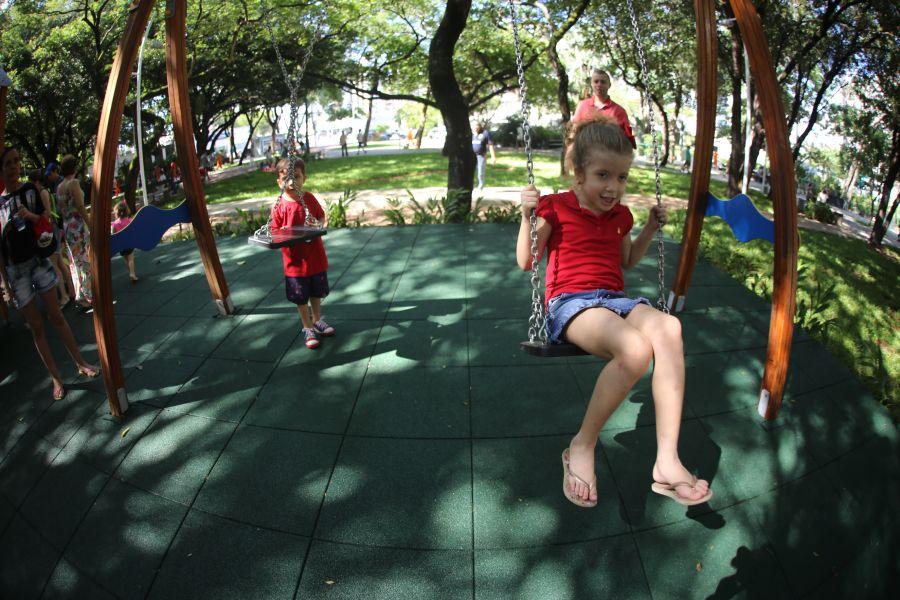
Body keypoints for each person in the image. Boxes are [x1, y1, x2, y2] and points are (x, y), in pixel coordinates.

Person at [515, 116, 712, 508]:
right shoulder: (554, 207)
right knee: (635, 349)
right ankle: (582, 446)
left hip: (615, 299)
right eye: (603, 175)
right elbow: (526, 260)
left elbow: (627, 261)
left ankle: (667, 462)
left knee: (669, 327)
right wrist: (527, 217)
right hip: (571, 303)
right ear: (578, 172)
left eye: (621, 178)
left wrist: (649, 231)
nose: (613, 188)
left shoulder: (621, 216)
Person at [0, 146, 99, 401]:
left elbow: (46, 222)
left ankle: (80, 362)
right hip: (16, 272)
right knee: (36, 327)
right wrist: (6, 286)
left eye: (16, 161)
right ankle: (56, 378)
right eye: (8, 163)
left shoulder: (30, 191)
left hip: (38, 261)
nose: (13, 166)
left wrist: (30, 216)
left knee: (56, 316)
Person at [270, 157, 335, 349]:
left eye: (296, 177)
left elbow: (322, 218)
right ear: (279, 183)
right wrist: (285, 231)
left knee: (316, 292)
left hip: (315, 258)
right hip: (295, 264)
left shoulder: (309, 199)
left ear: (304, 178)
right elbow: (274, 232)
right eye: (286, 179)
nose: (291, 183)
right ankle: (307, 327)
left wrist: (318, 224)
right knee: (301, 297)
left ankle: (317, 320)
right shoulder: (280, 205)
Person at [28, 169, 75, 307]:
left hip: (49, 232)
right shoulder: (45, 192)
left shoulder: (42, 193)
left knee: (55, 266)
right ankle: (71, 291)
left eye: (31, 183)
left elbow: (46, 214)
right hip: (53, 230)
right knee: (60, 262)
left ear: (36, 182)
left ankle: (64, 296)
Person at [56, 154, 93, 310]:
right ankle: (89, 295)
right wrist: (90, 224)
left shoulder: (59, 187)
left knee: (75, 262)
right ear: (75, 168)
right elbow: (80, 206)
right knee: (84, 260)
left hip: (67, 227)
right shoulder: (74, 183)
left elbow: (60, 209)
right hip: (77, 226)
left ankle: (80, 295)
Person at [572, 69, 637, 149]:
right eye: (596, 81)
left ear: (609, 85)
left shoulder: (619, 111)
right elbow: (573, 132)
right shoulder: (582, 106)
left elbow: (627, 139)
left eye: (603, 82)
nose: (599, 84)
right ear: (591, 84)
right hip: (584, 154)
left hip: (609, 156)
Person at [111, 202, 139, 283]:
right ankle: (133, 274)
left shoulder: (115, 224)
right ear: (127, 211)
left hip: (121, 246)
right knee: (131, 259)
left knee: (126, 260)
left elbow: (113, 234)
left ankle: (131, 273)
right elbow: (134, 230)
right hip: (129, 243)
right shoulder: (130, 221)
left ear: (117, 213)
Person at [471, 121, 496, 190]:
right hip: (471, 156)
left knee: (480, 172)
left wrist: (493, 157)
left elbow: (490, 145)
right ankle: (471, 186)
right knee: (471, 172)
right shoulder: (471, 134)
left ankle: (480, 186)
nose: (475, 127)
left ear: (480, 126)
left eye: (477, 125)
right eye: (474, 126)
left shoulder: (485, 133)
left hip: (481, 156)